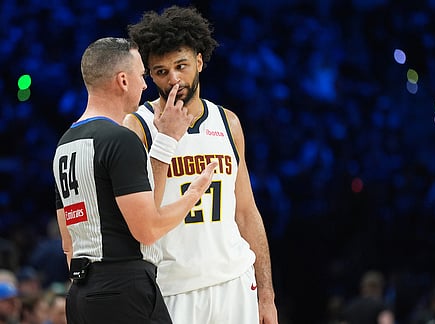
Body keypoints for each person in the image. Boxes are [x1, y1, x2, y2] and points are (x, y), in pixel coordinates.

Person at [124, 5, 278, 324]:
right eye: (161, 71)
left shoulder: (228, 123)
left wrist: (266, 296)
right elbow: (137, 219)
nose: (174, 79)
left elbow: (246, 213)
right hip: (172, 288)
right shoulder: (137, 126)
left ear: (199, 61)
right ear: (150, 75)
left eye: (181, 65)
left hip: (235, 281)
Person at [52, 37, 217, 324]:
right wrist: (195, 193)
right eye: (141, 76)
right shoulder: (120, 139)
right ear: (123, 81)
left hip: (80, 293)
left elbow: (68, 242)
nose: (145, 85)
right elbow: (148, 230)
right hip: (124, 288)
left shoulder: (65, 144)